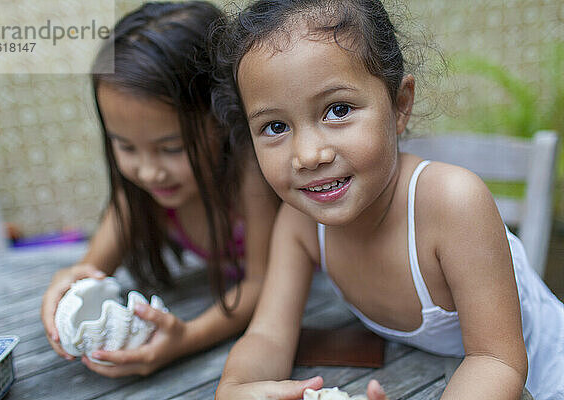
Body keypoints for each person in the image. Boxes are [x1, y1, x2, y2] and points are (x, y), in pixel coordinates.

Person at [210, 0, 564, 399]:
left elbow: (494, 360)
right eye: (275, 126)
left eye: (337, 109)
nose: (308, 155)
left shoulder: (452, 204)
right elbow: (269, 335)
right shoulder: (301, 222)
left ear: (400, 105)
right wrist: (235, 388)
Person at [41, 1, 279, 378]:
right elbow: (89, 272)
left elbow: (261, 284)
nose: (150, 172)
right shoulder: (140, 197)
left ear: (222, 115)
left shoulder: (251, 177)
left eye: (171, 148)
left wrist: (187, 339)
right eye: (125, 146)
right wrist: (67, 287)